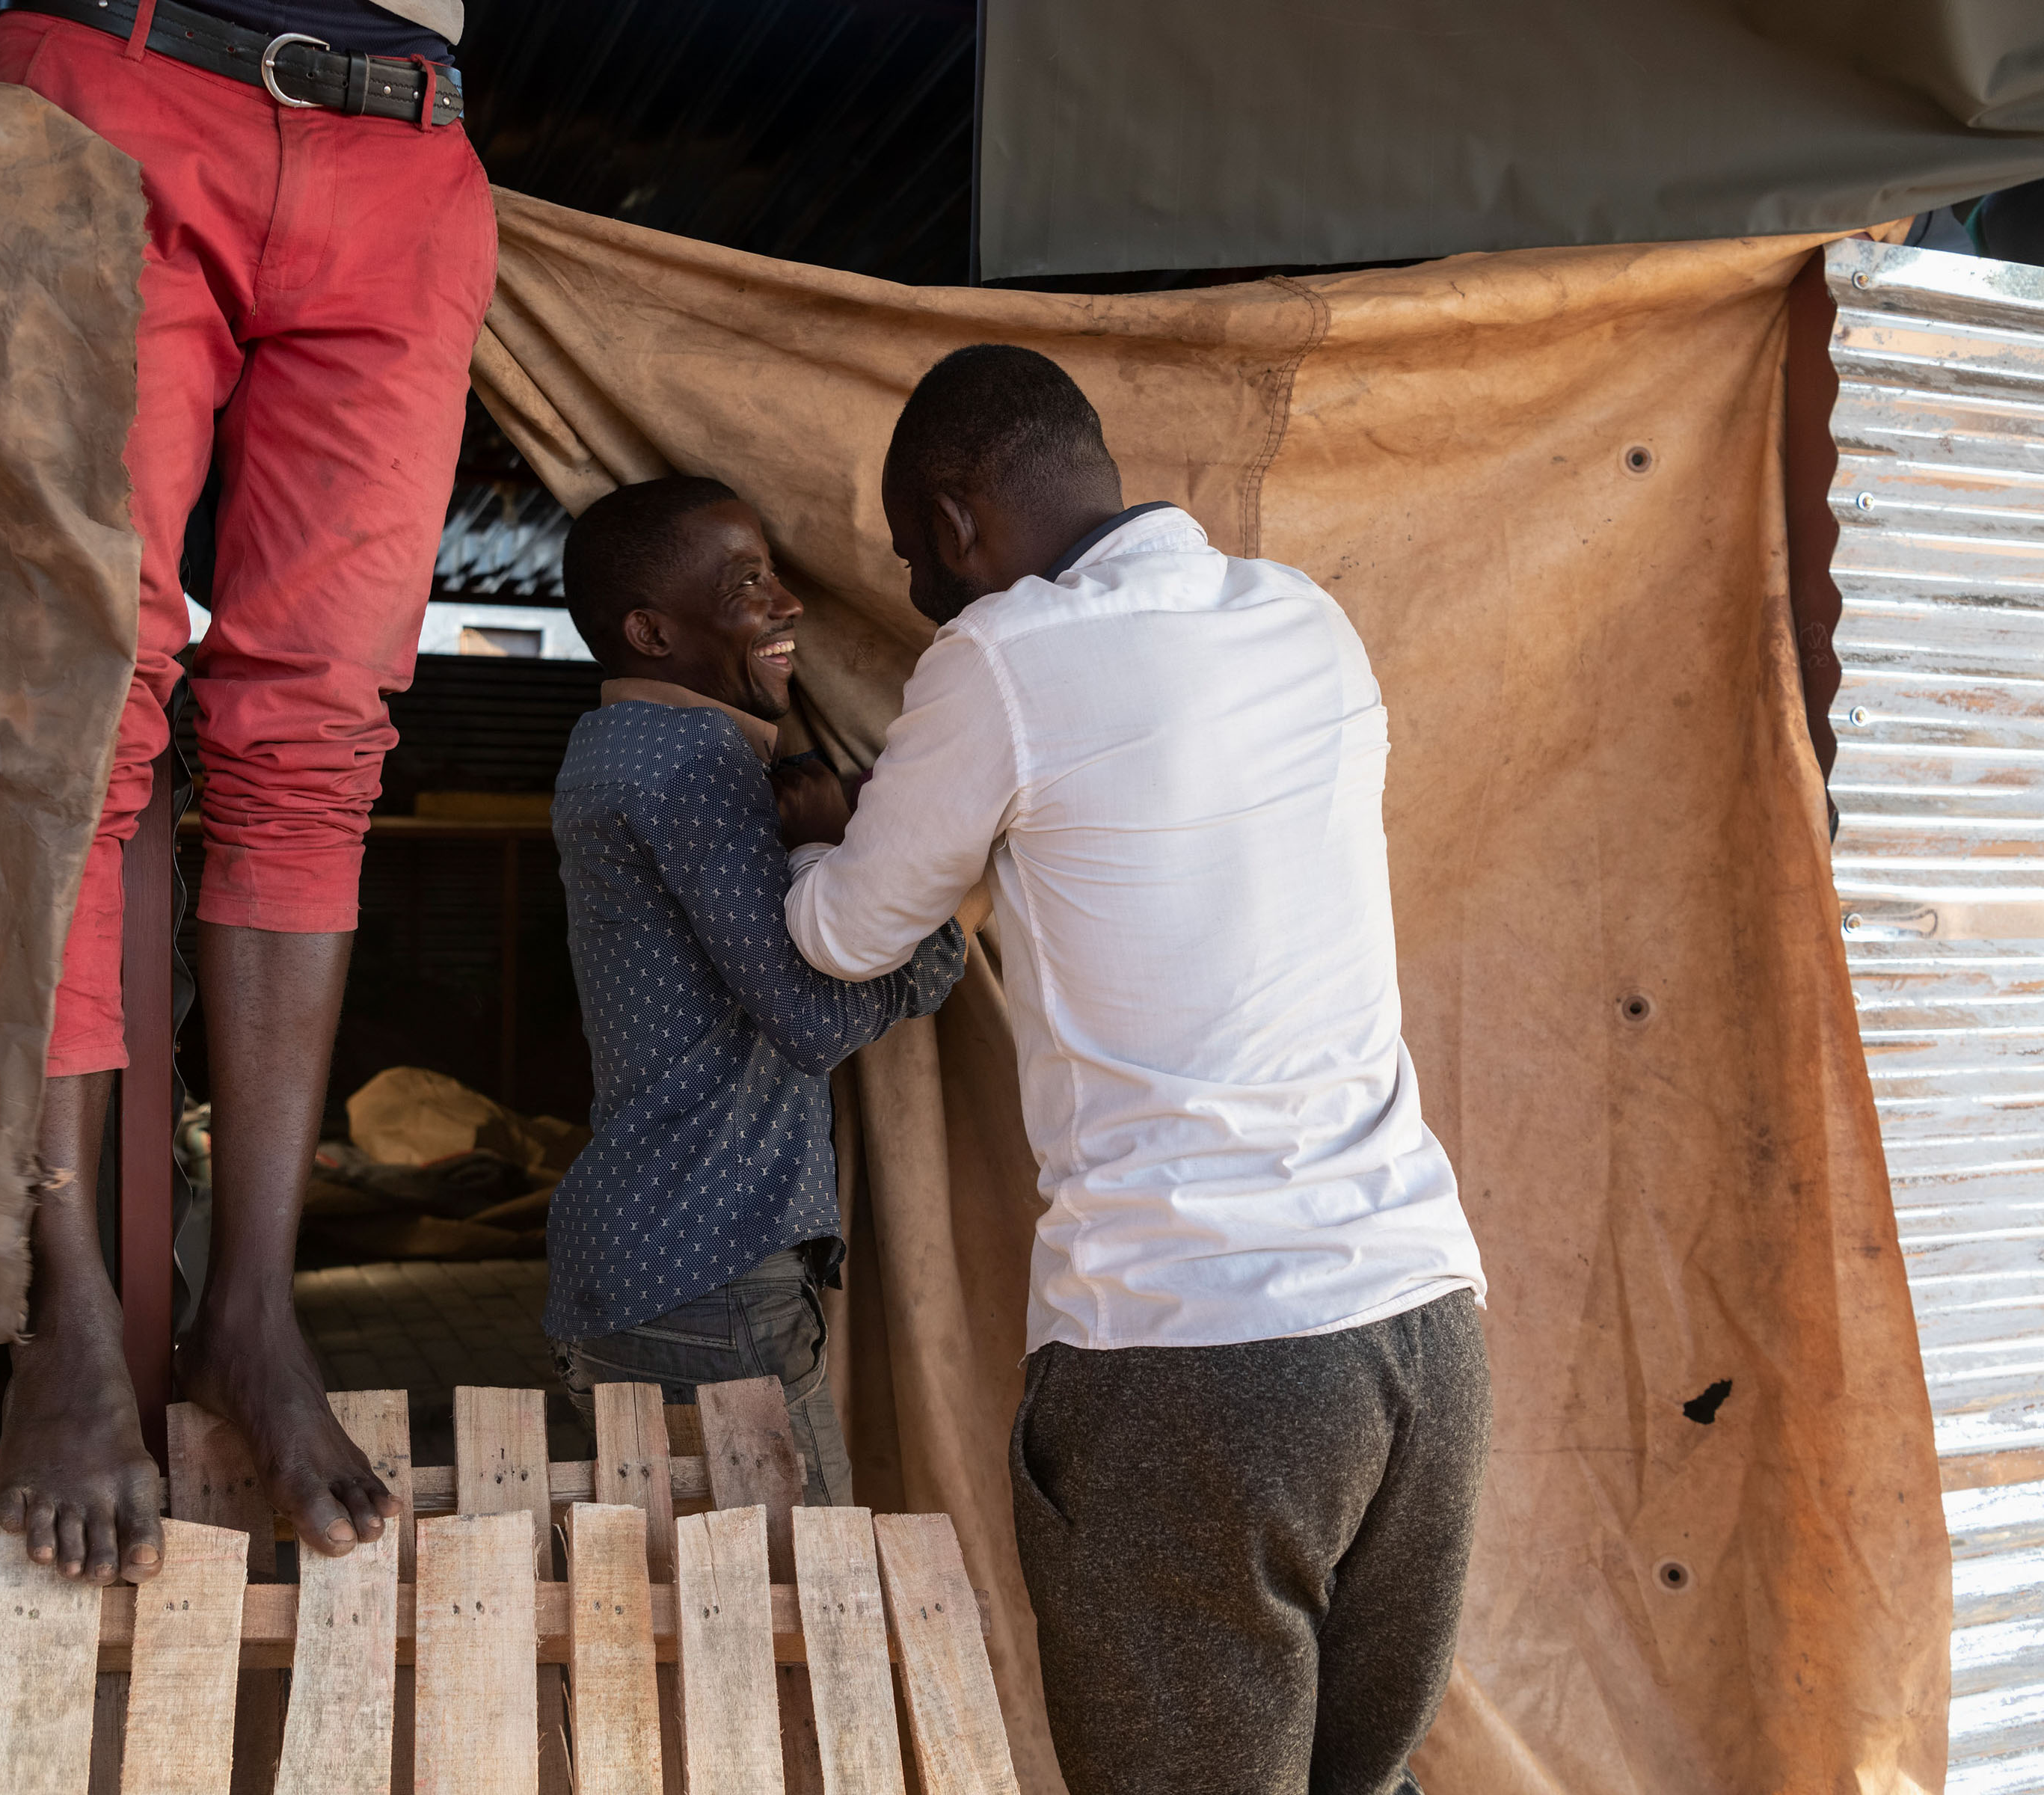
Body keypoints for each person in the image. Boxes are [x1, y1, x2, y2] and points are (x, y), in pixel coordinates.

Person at [778, 346, 1491, 1794]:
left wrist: (805, 839)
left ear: (963, 517)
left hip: (1196, 1362)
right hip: (1426, 1334)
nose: (924, 598)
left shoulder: (1002, 657)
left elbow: (852, 932)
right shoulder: (1309, 622)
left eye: (922, 560)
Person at [0, 0, 496, 1584]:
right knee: (78, 702)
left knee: (321, 738)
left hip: (408, 136)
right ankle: (60, 1303)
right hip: (119, 73)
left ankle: (252, 1312)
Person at [544, 476, 969, 1500]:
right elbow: (812, 1015)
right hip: (709, 1272)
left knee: (663, 1626)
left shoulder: (613, 748)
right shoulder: (692, 760)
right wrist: (932, 919)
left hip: (649, 1265)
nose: (789, 605)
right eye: (748, 584)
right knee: (795, 1626)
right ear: (650, 631)